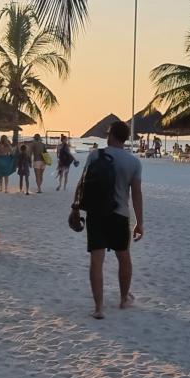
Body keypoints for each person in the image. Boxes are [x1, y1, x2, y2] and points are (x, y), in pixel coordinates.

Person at [71, 121, 143, 319]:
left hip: (96, 213)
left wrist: (75, 208)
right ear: (126, 138)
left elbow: (82, 183)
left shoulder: (95, 155)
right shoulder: (133, 162)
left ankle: (99, 308)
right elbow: (136, 194)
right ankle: (123, 299)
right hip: (120, 214)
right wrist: (140, 222)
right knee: (124, 257)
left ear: (110, 135)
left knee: (96, 260)